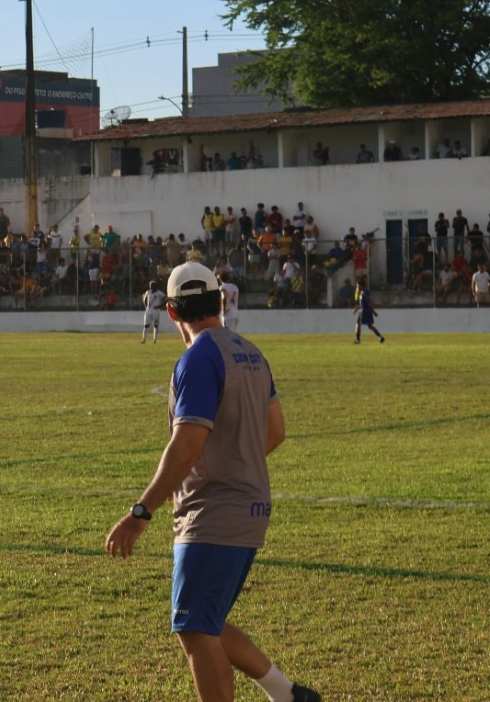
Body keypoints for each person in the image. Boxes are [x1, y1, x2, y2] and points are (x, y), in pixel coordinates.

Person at [106, 262, 320, 702]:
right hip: (248, 505)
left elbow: (186, 444)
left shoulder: (199, 358)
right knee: (205, 620)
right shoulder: (250, 352)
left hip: (215, 512)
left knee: (194, 628)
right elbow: (275, 431)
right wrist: (234, 461)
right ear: (220, 302)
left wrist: (140, 512)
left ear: (171, 312)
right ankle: (287, 694)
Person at [352, 278, 385, 345]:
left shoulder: (364, 292)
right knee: (370, 326)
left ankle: (358, 340)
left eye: (358, 285)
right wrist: (356, 308)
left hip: (364, 311)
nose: (357, 287)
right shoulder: (362, 292)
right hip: (367, 310)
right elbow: (362, 303)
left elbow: (369, 302)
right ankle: (380, 337)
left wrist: (374, 311)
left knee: (358, 325)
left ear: (362, 285)